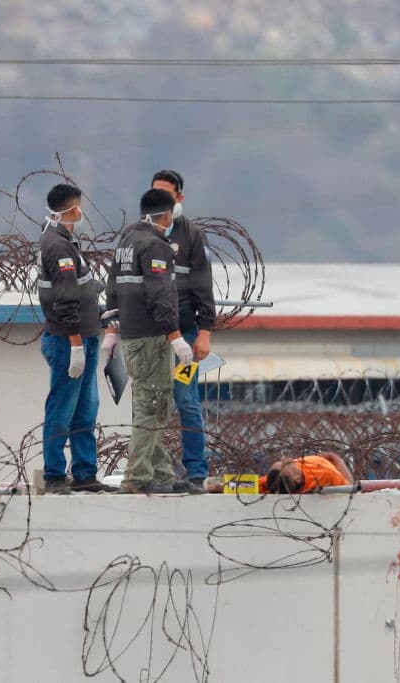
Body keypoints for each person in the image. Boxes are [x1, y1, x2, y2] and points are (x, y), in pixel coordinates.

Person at [104, 188, 194, 494]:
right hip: (152, 338)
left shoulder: (128, 241)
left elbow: (112, 286)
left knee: (151, 404)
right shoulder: (154, 246)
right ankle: (138, 476)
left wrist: (112, 327)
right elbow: (159, 296)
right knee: (153, 406)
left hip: (132, 335)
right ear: (167, 215)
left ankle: (161, 473)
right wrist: (176, 336)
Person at [37, 183, 115, 494]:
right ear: (73, 209)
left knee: (86, 409)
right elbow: (65, 300)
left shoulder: (67, 241)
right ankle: (55, 474)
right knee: (62, 408)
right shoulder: (58, 246)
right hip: (69, 341)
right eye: (79, 206)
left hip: (87, 335)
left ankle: (85, 473)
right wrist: (76, 346)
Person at [150, 170, 217, 494]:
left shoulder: (192, 236)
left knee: (185, 399)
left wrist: (205, 332)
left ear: (179, 197)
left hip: (186, 338)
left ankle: (195, 470)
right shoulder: (141, 234)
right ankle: (154, 468)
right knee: (151, 402)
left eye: (166, 194)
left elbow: (204, 287)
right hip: (151, 337)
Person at [261, 453, 353, 494]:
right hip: (330, 463)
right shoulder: (325, 474)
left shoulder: (274, 482)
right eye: (286, 464)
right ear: (297, 479)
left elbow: (249, 485)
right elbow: (350, 487)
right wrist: (335, 459)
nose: (284, 457)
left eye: (281, 461)